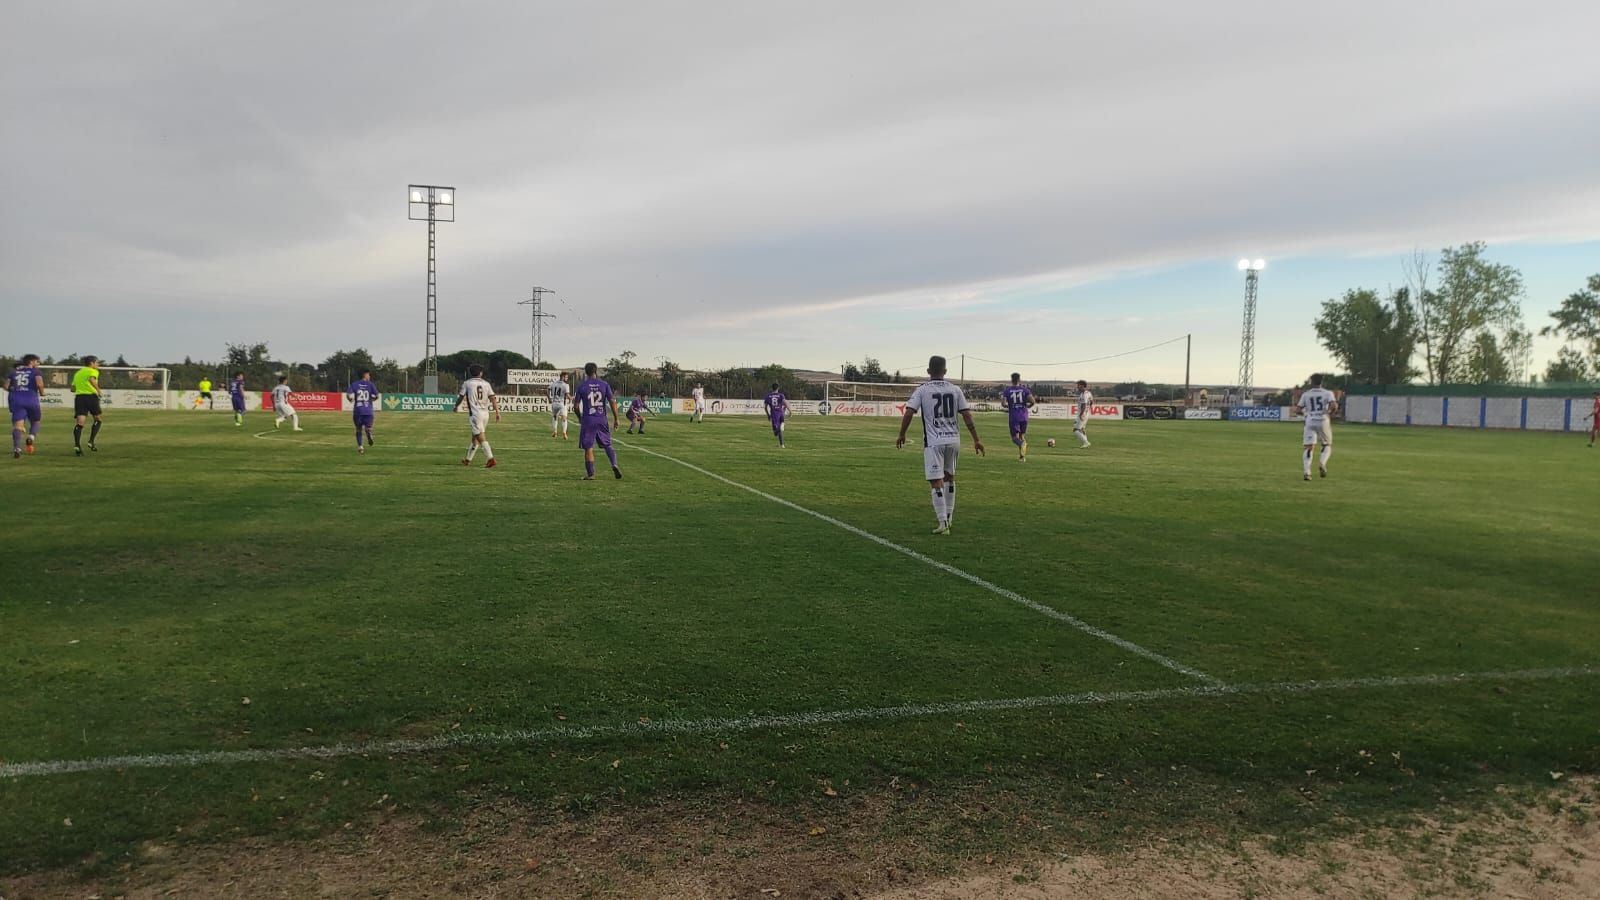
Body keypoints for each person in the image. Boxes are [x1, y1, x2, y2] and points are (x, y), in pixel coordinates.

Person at [896, 356, 985, 534]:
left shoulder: (922, 390)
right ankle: (949, 517)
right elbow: (967, 415)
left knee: (936, 481)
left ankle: (943, 523)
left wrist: (902, 434)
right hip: (954, 440)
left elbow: (908, 413)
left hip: (934, 441)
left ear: (928, 371)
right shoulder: (955, 389)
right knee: (950, 477)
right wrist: (976, 439)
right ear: (945, 371)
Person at [574, 361, 622, 480]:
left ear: (586, 372)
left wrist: (580, 418)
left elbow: (575, 406)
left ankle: (591, 474)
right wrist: (616, 419)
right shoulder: (604, 385)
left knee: (588, 447)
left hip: (588, 419)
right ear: (596, 371)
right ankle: (614, 464)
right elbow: (612, 402)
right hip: (601, 418)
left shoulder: (582, 386)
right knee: (607, 444)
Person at [1294, 374, 1339, 481]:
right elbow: (1334, 406)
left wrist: (1306, 414)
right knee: (1326, 444)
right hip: (1323, 420)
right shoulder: (1328, 393)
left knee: (1308, 448)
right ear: (1321, 382)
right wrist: (1330, 413)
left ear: (1311, 382)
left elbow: (1298, 409)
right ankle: (1322, 463)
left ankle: (1307, 472)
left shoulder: (1306, 394)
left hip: (1310, 421)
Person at [455, 364, 501, 468]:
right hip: (485, 414)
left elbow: (461, 397)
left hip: (475, 414)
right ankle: (467, 460)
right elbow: (493, 398)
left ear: (470, 373)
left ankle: (491, 459)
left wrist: (456, 406)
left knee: (480, 438)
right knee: (475, 437)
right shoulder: (486, 384)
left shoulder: (467, 383)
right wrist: (497, 412)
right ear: (481, 373)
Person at [7, 354, 43, 459]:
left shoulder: (14, 372)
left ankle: (17, 448)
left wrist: (15, 391)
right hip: (31, 400)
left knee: (18, 426)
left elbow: (6, 386)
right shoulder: (36, 372)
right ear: (31, 362)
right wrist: (42, 393)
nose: (38, 364)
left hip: (17, 400)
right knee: (36, 421)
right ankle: (31, 437)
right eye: (37, 362)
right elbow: (40, 384)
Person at [72, 356, 104, 456]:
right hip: (90, 397)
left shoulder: (78, 373)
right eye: (97, 362)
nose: (98, 365)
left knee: (80, 422)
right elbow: (91, 379)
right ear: (91, 363)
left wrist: (81, 386)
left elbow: (72, 388)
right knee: (98, 419)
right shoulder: (93, 371)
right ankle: (91, 441)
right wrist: (98, 390)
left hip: (79, 398)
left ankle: (77, 445)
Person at [1000, 372, 1035, 461]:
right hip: (1024, 415)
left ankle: (1022, 444)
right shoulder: (1025, 390)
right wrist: (1027, 406)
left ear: (1011, 380)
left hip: (1014, 416)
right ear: (1019, 380)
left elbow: (1003, 404)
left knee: (1014, 438)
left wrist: (1011, 406)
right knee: (1022, 436)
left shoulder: (1007, 390)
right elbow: (1032, 401)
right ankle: (1022, 457)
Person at [347, 370, 379, 453]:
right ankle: (368, 432)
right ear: (365, 375)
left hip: (358, 410)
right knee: (368, 427)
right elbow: (377, 395)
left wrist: (350, 399)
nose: (369, 376)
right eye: (369, 375)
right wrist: (372, 399)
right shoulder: (370, 384)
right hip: (368, 410)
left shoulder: (354, 384)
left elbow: (348, 395)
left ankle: (360, 447)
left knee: (358, 429)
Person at [763, 381, 789, 448]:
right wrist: (788, 410)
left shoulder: (768, 396)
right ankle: (782, 445)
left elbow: (765, 407)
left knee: (775, 432)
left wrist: (768, 415)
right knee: (779, 431)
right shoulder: (781, 395)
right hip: (781, 413)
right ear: (778, 388)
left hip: (774, 414)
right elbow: (785, 403)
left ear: (772, 388)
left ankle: (780, 427)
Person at [547, 371, 571, 439]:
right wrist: (572, 398)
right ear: (563, 377)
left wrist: (549, 398)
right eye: (566, 377)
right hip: (562, 404)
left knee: (555, 417)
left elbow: (548, 389)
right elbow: (567, 395)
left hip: (554, 403)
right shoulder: (566, 385)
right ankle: (564, 432)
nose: (567, 378)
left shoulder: (553, 383)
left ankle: (555, 431)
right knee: (564, 418)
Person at [1073, 379, 1093, 448]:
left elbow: (1084, 405)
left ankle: (1086, 442)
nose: (1077, 387)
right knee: (1082, 429)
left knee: (1075, 430)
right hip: (1086, 413)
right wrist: (1088, 409)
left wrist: (1081, 414)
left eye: (1078, 385)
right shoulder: (1089, 393)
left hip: (1082, 414)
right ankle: (1086, 443)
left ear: (1082, 386)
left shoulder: (1084, 395)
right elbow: (1091, 402)